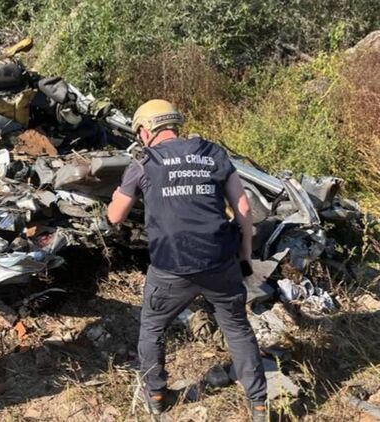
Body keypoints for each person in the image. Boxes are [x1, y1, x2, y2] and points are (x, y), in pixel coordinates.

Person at [106, 100, 268, 421]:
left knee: (153, 327)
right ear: (173, 124)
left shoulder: (143, 162)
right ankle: (260, 404)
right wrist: (246, 255)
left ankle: (156, 396)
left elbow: (115, 216)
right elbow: (244, 209)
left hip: (170, 266)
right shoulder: (212, 153)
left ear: (145, 130)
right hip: (219, 261)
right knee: (237, 328)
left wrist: (116, 195)